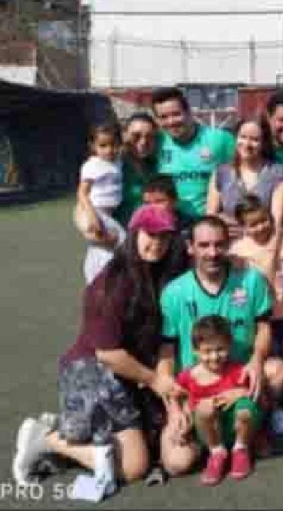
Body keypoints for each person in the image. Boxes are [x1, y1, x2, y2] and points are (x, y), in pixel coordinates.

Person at [12, 205, 190, 500]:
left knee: (153, 443)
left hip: (132, 371)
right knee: (134, 468)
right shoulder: (111, 283)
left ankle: (71, 430)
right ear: (133, 233)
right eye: (150, 235)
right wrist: (157, 381)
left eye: (164, 237)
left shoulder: (165, 270)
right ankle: (47, 440)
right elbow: (108, 354)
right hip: (92, 367)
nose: (157, 244)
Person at [156, 216, 283, 477]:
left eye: (219, 244)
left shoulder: (251, 280)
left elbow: (264, 326)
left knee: (280, 371)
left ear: (229, 244)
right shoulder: (174, 292)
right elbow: (167, 350)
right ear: (190, 247)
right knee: (177, 463)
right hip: (198, 387)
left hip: (238, 377)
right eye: (204, 245)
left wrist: (257, 359)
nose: (212, 252)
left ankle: (249, 431)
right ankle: (215, 441)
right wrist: (172, 404)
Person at [230, 196, 283, 438]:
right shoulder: (238, 251)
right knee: (272, 367)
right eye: (253, 224)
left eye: (264, 220)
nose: (261, 227)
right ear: (243, 226)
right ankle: (275, 411)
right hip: (261, 318)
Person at [175, 316, 262, 485]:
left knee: (245, 407)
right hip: (209, 434)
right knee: (205, 408)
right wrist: (178, 415)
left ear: (229, 346)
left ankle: (240, 449)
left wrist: (242, 392)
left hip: (235, 429)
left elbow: (259, 396)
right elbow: (174, 395)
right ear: (196, 351)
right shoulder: (189, 376)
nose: (214, 356)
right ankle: (217, 453)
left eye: (220, 349)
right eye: (207, 351)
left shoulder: (237, 371)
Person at [152, 87, 235, 224]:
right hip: (171, 226)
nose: (171, 121)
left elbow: (243, 174)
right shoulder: (156, 142)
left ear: (189, 112)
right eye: (163, 117)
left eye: (176, 114)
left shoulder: (220, 139)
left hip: (211, 223)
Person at [206, 116, 283, 236]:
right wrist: (220, 221)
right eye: (243, 137)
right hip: (228, 247)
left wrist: (242, 229)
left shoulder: (277, 173)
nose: (247, 144)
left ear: (264, 143)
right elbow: (210, 218)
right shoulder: (221, 173)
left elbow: (276, 223)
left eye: (255, 139)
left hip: (262, 245)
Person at [75, 122, 126, 285]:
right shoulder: (92, 165)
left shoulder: (117, 161)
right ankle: (96, 279)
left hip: (107, 214)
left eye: (113, 145)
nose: (109, 150)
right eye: (103, 146)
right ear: (93, 146)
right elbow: (82, 193)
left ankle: (95, 279)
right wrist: (92, 216)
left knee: (101, 248)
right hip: (95, 211)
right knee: (121, 241)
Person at [116, 113, 158, 226]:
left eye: (150, 136)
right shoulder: (113, 165)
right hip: (118, 237)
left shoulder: (158, 163)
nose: (143, 142)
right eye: (136, 136)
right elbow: (86, 199)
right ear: (124, 135)